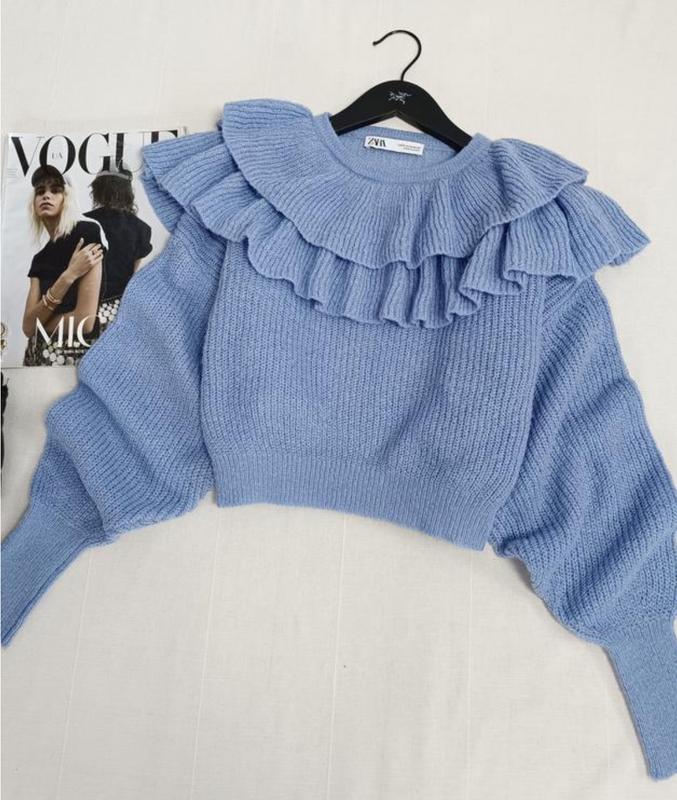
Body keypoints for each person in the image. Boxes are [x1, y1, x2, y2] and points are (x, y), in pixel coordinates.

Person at [22, 165, 107, 366]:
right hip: (37, 358)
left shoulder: (87, 232)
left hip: (76, 357)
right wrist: (69, 275)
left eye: (55, 190)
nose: (46, 195)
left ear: (66, 197)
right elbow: (27, 327)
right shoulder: (39, 258)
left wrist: (40, 323)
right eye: (40, 191)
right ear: (33, 202)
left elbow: (85, 322)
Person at [84, 161, 153, 334]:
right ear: (128, 191)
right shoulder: (142, 229)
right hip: (118, 311)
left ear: (98, 188)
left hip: (83, 307)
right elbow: (131, 276)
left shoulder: (83, 223)